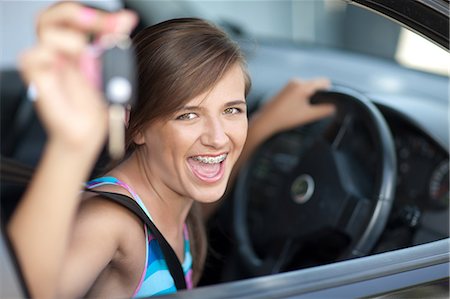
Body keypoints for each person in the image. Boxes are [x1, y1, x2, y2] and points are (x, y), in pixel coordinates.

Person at [7, 2, 333, 299]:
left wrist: (264, 123)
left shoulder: (176, 201)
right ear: (136, 127)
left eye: (232, 110)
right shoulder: (108, 224)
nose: (218, 139)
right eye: (187, 115)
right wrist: (69, 148)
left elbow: (197, 213)